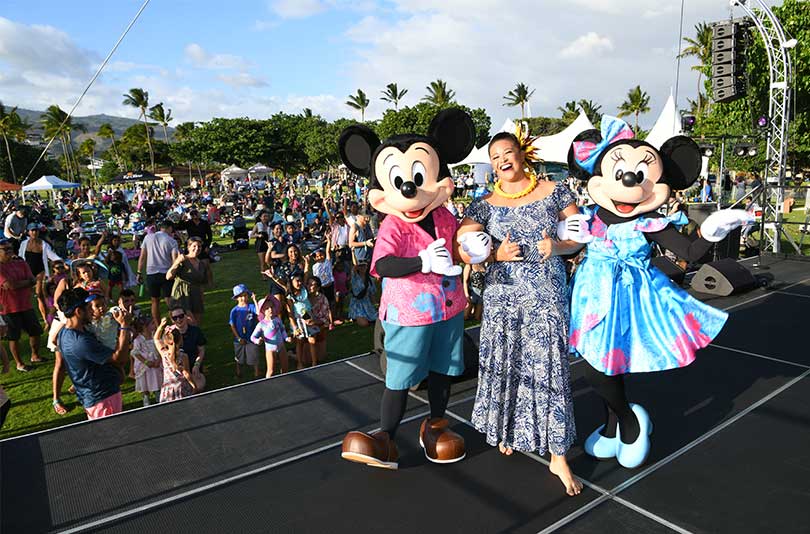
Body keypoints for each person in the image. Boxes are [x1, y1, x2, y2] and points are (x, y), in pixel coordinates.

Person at [458, 128, 584, 496]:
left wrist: (558, 246)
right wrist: (494, 254)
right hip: (502, 296)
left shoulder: (555, 191)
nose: (502, 161)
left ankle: (557, 455)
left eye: (507, 152)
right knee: (507, 363)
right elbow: (463, 249)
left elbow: (579, 235)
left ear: (522, 153)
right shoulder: (483, 203)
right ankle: (508, 428)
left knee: (550, 366)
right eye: (495, 157)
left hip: (546, 293)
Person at [55, 287, 133, 419]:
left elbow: (61, 365)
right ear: (79, 312)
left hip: (92, 399)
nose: (92, 310)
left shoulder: (63, 333)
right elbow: (120, 359)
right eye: (88, 308)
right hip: (104, 399)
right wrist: (125, 326)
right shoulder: (82, 342)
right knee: (113, 437)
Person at [0, 238, 45, 371]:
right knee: (14, 337)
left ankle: (35, 355)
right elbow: (10, 285)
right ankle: (19, 363)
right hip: (9, 308)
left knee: (35, 331)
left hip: (26, 304)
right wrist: (25, 282)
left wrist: (21, 283)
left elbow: (33, 280)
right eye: (5, 249)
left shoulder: (21, 263)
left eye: (10, 248)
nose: (9, 251)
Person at [19, 222, 63, 324]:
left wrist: (61, 261)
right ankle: (26, 318)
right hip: (27, 271)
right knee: (25, 295)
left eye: (36, 230)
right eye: (32, 231)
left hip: (40, 271)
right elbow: (20, 257)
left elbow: (52, 255)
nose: (34, 233)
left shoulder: (43, 244)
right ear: (28, 232)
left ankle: (46, 319)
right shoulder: (24, 244)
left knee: (40, 295)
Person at [138, 219, 180, 325]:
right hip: (166, 273)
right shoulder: (172, 241)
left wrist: (139, 272)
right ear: (169, 228)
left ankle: (158, 326)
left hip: (151, 273)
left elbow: (142, 257)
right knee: (169, 300)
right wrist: (176, 273)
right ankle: (176, 322)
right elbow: (175, 260)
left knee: (154, 301)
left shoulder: (148, 238)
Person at [167, 237, 212, 325]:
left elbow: (202, 283)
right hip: (182, 294)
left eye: (199, 246)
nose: (197, 248)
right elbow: (168, 276)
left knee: (196, 324)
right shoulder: (183, 260)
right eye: (194, 246)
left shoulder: (202, 264)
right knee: (188, 321)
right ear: (188, 247)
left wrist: (201, 297)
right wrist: (176, 262)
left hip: (196, 294)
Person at [155, 317, 195, 402]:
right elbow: (186, 373)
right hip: (182, 387)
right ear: (180, 340)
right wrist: (193, 385)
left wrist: (161, 326)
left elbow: (156, 339)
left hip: (168, 389)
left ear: (165, 341)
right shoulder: (183, 356)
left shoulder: (164, 354)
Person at [250, 295, 291, 377]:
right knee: (271, 371)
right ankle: (268, 385)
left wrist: (286, 338)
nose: (270, 309)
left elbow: (282, 330)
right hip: (270, 350)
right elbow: (253, 337)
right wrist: (258, 341)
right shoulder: (261, 324)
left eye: (272, 307)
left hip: (281, 347)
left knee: (285, 368)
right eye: (267, 308)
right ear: (262, 311)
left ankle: (286, 382)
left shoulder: (277, 320)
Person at [229, 284, 261, 378]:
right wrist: (238, 338)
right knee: (239, 356)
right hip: (239, 338)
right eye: (241, 296)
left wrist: (255, 300)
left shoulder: (251, 307)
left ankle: (256, 372)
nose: (243, 298)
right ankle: (238, 371)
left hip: (251, 337)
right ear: (236, 298)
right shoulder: (234, 311)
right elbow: (232, 325)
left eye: (245, 295)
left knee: (254, 355)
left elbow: (259, 313)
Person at [131, 316, 163, 406]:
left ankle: (158, 395)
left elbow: (160, 348)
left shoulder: (155, 336)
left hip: (155, 362)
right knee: (144, 381)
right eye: (152, 323)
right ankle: (146, 398)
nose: (154, 325)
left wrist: (159, 359)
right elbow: (135, 353)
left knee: (157, 378)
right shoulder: (138, 340)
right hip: (145, 365)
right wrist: (146, 362)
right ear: (145, 327)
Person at [168, 305, 207, 371]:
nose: (178, 320)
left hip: (194, 366)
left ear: (186, 316)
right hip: (178, 369)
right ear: (172, 320)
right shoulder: (170, 334)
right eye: (175, 318)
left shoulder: (195, 331)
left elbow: (201, 350)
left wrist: (197, 365)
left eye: (181, 316)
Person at [307, 276, 331, 362]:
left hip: (320, 329)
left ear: (318, 287)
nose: (309, 286)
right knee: (306, 360)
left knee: (321, 359)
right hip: (307, 330)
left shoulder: (323, 299)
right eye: (308, 284)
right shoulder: (304, 298)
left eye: (312, 285)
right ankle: (291, 353)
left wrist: (315, 322)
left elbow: (326, 320)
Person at [347, 261, 377, 327]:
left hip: (367, 304)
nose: (362, 268)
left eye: (364, 266)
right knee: (364, 324)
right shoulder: (354, 277)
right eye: (360, 266)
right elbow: (353, 267)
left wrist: (375, 305)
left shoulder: (370, 280)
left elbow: (372, 295)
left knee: (376, 319)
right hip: (357, 304)